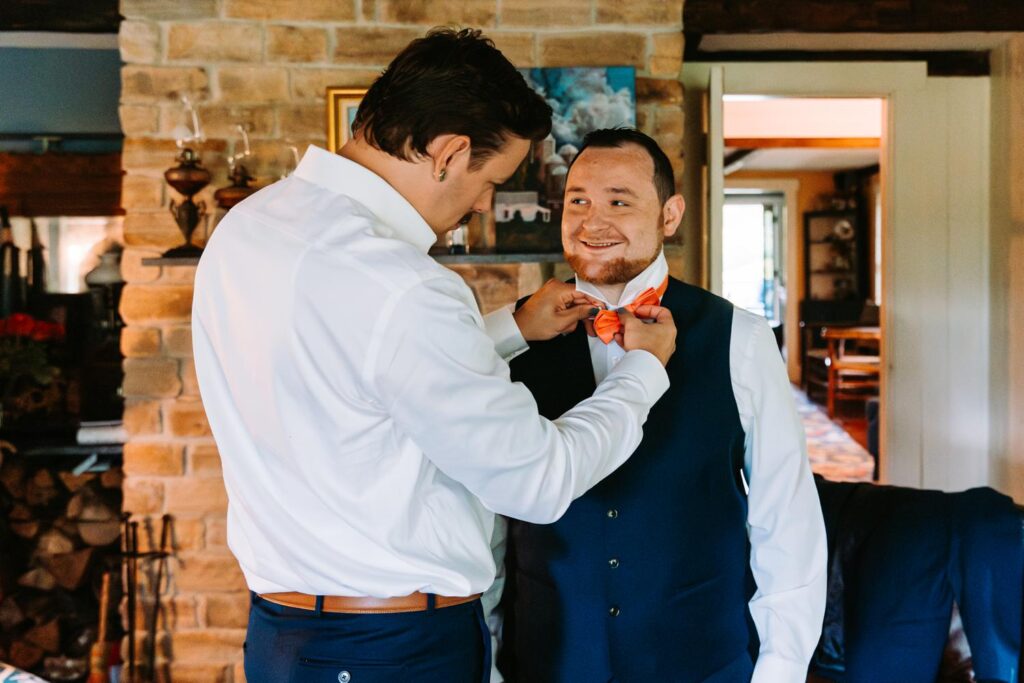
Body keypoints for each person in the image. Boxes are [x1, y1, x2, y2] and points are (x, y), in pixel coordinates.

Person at [191, 30, 677, 683]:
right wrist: (644, 374)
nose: (481, 205)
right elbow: (537, 479)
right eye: (490, 180)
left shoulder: (247, 228)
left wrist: (509, 327)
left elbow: (354, 375)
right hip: (394, 649)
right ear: (448, 153)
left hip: (283, 638)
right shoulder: (406, 284)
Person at [496, 128, 827, 682]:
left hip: (702, 657)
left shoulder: (738, 337)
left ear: (669, 216)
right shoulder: (513, 338)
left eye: (619, 202)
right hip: (548, 658)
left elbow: (786, 515)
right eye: (578, 200)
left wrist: (780, 671)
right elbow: (488, 524)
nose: (591, 222)